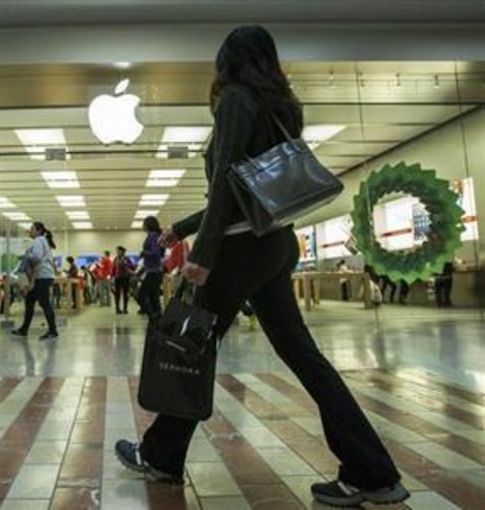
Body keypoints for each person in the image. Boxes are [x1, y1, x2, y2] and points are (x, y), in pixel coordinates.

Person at [114, 26, 408, 508]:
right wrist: (186, 228)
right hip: (275, 244)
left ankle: (161, 455)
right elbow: (255, 186)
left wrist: (201, 258)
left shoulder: (234, 98)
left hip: (238, 252)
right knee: (304, 358)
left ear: (228, 61)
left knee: (191, 348)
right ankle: (372, 471)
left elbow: (228, 182)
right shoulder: (283, 105)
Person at [11, 221, 59, 340]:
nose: (30, 231)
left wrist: (26, 256)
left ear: (38, 231)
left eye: (32, 229)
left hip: (43, 276)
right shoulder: (42, 240)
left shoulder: (38, 240)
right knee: (29, 301)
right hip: (41, 276)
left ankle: (53, 331)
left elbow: (37, 257)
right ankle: (24, 329)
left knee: (44, 303)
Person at [136, 216, 165, 321]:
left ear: (148, 225)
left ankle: (153, 317)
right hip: (155, 271)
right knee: (154, 297)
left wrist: (143, 253)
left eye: (143, 223)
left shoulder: (152, 236)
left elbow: (156, 254)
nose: (142, 226)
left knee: (140, 295)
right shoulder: (156, 236)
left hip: (153, 272)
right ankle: (158, 320)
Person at [112, 246, 135, 314]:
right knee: (117, 294)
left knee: (125, 294)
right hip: (117, 278)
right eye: (117, 251)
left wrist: (126, 264)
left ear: (123, 252)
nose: (117, 252)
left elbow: (133, 266)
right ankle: (117, 309)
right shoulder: (116, 259)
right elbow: (113, 268)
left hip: (125, 278)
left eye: (119, 251)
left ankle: (125, 309)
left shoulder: (126, 258)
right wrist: (112, 277)